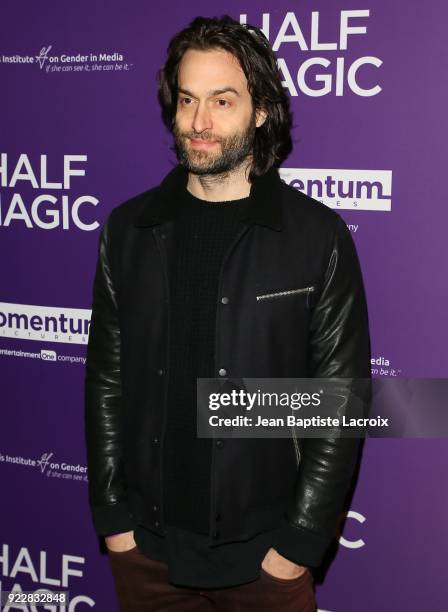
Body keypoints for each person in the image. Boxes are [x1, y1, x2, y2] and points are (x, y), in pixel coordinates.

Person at [84, 14, 371, 612]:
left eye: (222, 100)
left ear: (261, 111)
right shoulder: (130, 230)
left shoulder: (316, 237)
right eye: (187, 99)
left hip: (263, 562)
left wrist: (296, 545)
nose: (199, 122)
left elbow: (339, 401)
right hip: (147, 557)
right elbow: (107, 380)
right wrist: (114, 521)